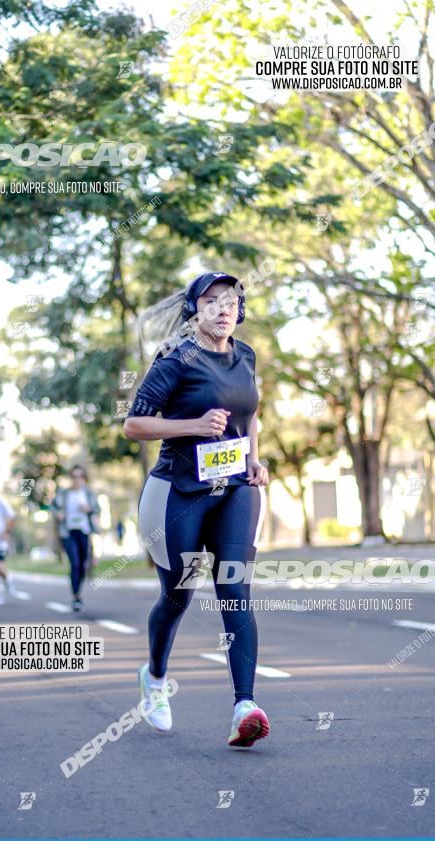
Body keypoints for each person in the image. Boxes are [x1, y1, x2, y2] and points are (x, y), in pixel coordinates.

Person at [124, 272, 270, 748]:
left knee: (235, 590)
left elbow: (250, 418)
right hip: (180, 490)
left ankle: (244, 706)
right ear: (196, 309)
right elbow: (134, 425)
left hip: (234, 491)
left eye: (231, 301)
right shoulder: (174, 358)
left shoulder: (245, 356)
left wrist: (254, 460)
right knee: (177, 596)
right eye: (212, 302)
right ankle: (155, 677)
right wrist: (194, 425)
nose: (223, 309)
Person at [52, 465, 100, 611]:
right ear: (71, 478)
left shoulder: (89, 493)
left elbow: (97, 509)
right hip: (68, 532)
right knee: (75, 563)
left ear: (84, 478)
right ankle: (76, 597)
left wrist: (89, 509)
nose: (77, 479)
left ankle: (78, 592)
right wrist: (58, 514)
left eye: (80, 476)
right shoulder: (64, 493)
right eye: (74, 476)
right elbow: (53, 506)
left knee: (83, 564)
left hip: (84, 531)